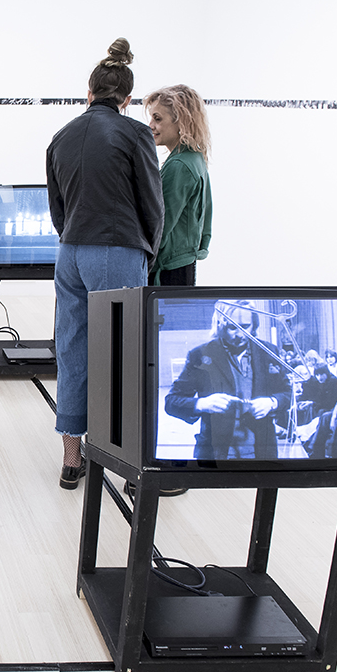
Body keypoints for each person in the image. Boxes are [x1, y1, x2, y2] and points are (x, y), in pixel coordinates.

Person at [46, 38, 164, 489]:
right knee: (123, 356)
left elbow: (58, 209)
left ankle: (71, 459)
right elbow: (152, 204)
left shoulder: (61, 136)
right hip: (116, 250)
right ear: (127, 99)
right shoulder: (134, 134)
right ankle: (128, 466)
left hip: (70, 253)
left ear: (89, 93)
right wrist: (148, 251)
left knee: (73, 348)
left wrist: (73, 237)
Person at [163, 300, 292, 460]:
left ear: (254, 325)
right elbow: (171, 402)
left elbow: (288, 393)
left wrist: (272, 402)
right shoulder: (200, 355)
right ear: (219, 325)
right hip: (215, 457)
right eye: (232, 327)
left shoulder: (268, 352)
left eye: (245, 326)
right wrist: (203, 404)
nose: (240, 334)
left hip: (263, 455)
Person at [142, 85, 213, 286]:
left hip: (168, 272)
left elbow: (159, 226)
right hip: (183, 264)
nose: (150, 125)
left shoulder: (180, 165)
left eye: (158, 119)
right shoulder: (195, 158)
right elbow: (205, 225)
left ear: (180, 121)